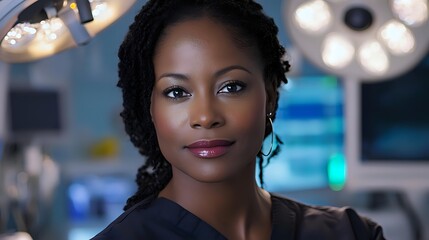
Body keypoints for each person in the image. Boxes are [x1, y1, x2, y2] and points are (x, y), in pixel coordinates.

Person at [92, 0, 385, 239]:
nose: (206, 117)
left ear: (269, 94)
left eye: (231, 87)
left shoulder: (351, 233)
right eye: (177, 92)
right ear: (150, 108)